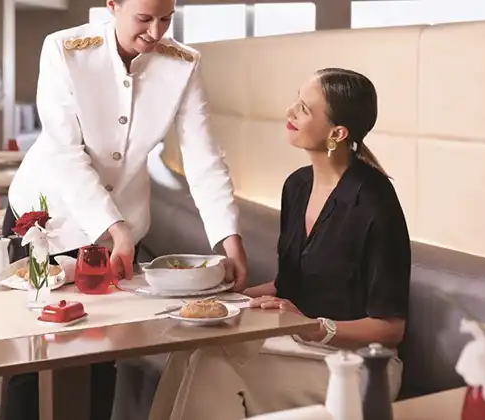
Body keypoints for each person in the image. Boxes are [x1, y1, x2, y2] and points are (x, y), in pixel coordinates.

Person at [1, 0, 249, 417]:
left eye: (166, 19)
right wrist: (113, 229)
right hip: (48, 220)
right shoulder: (64, 49)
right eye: (144, 19)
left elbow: (204, 158)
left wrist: (229, 237)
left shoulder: (183, 63)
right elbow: (66, 152)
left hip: (122, 234)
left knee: (104, 350)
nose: (156, 32)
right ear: (113, 5)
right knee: (33, 355)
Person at [146, 68, 412, 420]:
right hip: (296, 342)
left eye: (304, 108)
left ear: (337, 133)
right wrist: (221, 300)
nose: (290, 111)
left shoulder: (376, 203)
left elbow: (390, 329)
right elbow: (287, 286)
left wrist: (310, 324)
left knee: (212, 364)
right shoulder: (297, 186)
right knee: (190, 348)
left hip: (355, 366)